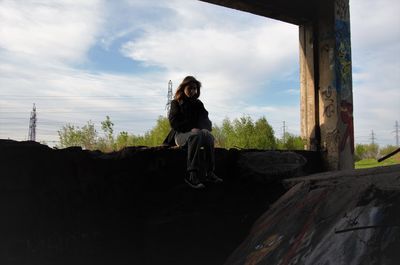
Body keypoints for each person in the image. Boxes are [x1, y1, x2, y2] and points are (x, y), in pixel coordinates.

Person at [163, 76, 223, 189]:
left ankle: (209, 173)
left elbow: (206, 120)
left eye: (195, 88)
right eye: (190, 88)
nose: (193, 91)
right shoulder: (176, 103)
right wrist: (191, 128)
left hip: (197, 134)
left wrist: (205, 128)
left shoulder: (198, 104)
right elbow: (174, 122)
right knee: (196, 135)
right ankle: (192, 175)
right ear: (183, 88)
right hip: (180, 135)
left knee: (209, 136)